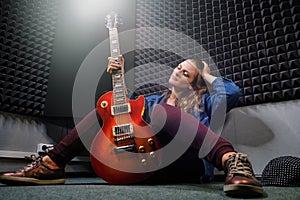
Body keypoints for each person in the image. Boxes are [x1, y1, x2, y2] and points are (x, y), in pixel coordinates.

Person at [0, 56, 264, 197]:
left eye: (186, 73)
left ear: (194, 84)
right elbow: (122, 115)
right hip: (147, 162)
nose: (178, 71)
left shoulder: (205, 101)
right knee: (108, 109)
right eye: (179, 67)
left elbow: (232, 92)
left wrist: (203, 72)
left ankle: (231, 160)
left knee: (163, 112)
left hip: (189, 164)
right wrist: (118, 77)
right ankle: (52, 163)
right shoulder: (149, 100)